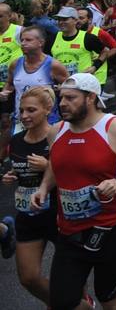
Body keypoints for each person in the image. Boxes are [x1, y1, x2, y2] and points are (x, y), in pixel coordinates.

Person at [33, 73, 116, 310]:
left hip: (111, 226)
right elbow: (57, 164)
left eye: (70, 98)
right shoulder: (55, 131)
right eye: (61, 98)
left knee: (109, 297)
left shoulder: (115, 128)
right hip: (69, 228)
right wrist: (44, 187)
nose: (62, 104)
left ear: (90, 98)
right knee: (62, 301)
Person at [2, 86, 60, 306]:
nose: (24, 116)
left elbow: (74, 173)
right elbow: (19, 169)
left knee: (68, 275)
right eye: (22, 110)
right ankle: (63, 303)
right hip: (27, 215)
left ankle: (72, 301)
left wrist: (48, 166)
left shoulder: (57, 136)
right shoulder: (16, 141)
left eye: (31, 110)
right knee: (28, 278)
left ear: (47, 109)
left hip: (58, 213)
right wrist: (12, 175)